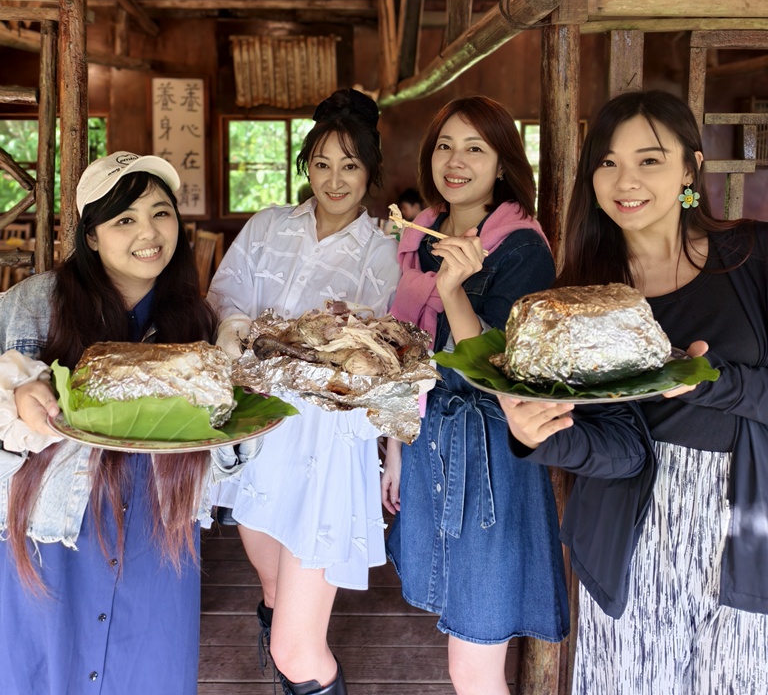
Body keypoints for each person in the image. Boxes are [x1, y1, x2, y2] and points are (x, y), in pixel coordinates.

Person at [500, 90, 768, 695]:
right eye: (607, 161)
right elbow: (618, 452)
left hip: (748, 528)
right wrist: (541, 437)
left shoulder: (754, 258)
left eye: (649, 160)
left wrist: (718, 385)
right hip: (631, 536)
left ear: (690, 168)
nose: (626, 180)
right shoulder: (580, 298)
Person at [0, 151, 254, 695]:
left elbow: (229, 467)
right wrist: (18, 398)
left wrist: (243, 395)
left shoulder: (197, 322)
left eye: (161, 213)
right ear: (91, 236)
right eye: (124, 219)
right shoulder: (30, 306)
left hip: (156, 538)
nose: (149, 233)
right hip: (53, 535)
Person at [208, 88, 399, 695]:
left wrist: (394, 448)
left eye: (350, 164)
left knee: (297, 642)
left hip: (327, 442)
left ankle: (294, 665)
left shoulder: (387, 247)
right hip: (260, 432)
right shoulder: (268, 226)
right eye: (321, 163)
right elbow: (226, 294)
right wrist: (236, 326)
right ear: (305, 166)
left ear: (370, 169)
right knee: (270, 586)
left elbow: (385, 348)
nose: (334, 179)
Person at [381, 96, 569, 695]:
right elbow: (407, 353)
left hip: (489, 456)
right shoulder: (427, 233)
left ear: (503, 163)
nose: (455, 161)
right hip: (429, 439)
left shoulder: (520, 247)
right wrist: (396, 445)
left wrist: (455, 292)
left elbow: (505, 371)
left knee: (475, 656)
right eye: (444, 145)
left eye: (474, 148)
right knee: (458, 635)